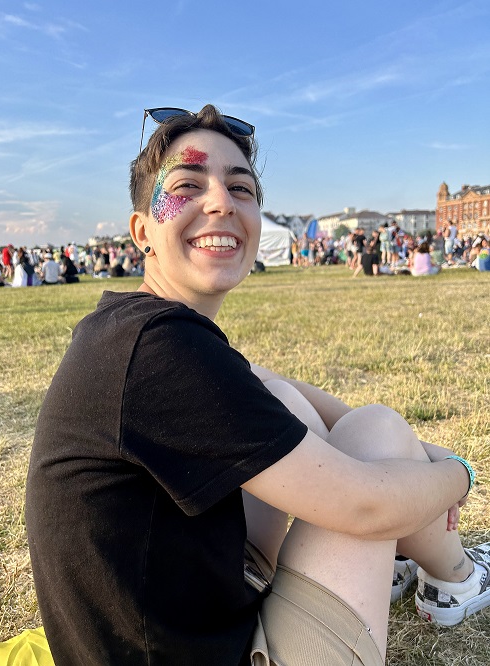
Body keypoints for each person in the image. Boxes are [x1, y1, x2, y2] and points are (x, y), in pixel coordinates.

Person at [26, 105, 490, 666]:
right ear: (142, 231)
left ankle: (409, 566)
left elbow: (262, 382)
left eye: (240, 187)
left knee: (287, 401)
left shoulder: (134, 331)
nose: (222, 201)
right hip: (202, 647)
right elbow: (367, 507)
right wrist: (456, 474)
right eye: (187, 184)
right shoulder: (157, 351)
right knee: (378, 432)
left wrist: (424, 458)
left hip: (193, 614)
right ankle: (457, 580)